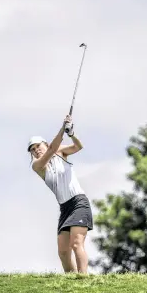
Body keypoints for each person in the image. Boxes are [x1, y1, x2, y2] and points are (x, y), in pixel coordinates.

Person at [27, 115, 93, 274]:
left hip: (79, 202)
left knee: (77, 244)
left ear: (45, 144)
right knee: (63, 252)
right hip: (65, 208)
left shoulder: (59, 151)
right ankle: (71, 281)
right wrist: (63, 128)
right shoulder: (37, 166)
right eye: (33, 149)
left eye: (38, 146)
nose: (36, 150)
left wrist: (71, 133)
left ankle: (83, 280)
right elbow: (50, 150)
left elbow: (78, 146)